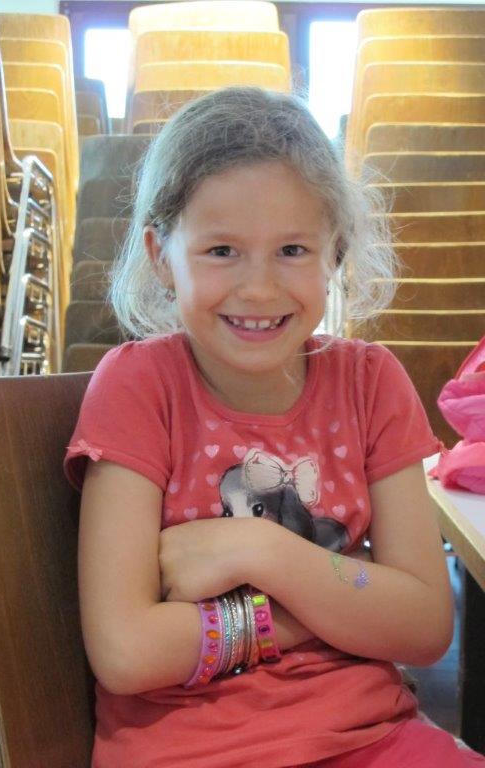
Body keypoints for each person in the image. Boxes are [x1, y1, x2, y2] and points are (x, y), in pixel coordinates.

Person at [64, 86, 485, 768]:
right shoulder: (138, 386)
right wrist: (332, 601)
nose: (259, 289)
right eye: (221, 250)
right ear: (161, 255)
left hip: (375, 738)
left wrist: (260, 550)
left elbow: (424, 625)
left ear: (334, 254)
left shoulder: (370, 382)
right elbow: (127, 651)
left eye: (292, 248)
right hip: (191, 754)